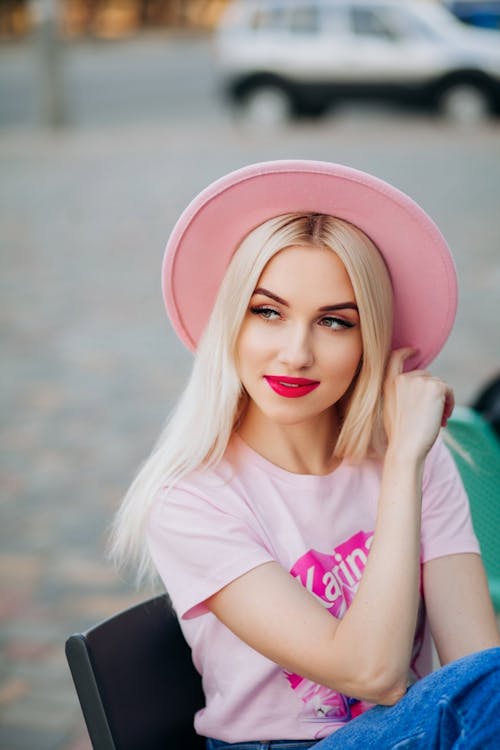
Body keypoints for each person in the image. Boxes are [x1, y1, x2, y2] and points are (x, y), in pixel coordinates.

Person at [111, 161, 500, 749]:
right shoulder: (191, 501)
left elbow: (477, 665)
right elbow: (373, 674)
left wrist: (406, 457)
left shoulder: (422, 459)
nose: (296, 353)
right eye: (267, 312)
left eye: (334, 322)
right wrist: (401, 467)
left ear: (370, 340)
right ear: (231, 325)